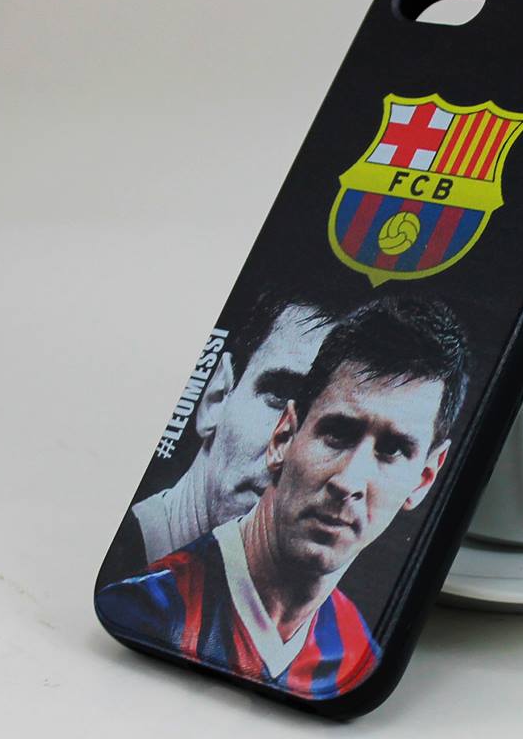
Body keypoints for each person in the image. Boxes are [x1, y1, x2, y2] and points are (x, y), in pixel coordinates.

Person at [96, 296, 469, 700]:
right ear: (284, 436)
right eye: (337, 433)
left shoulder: (357, 655)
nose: (349, 481)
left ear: (424, 478)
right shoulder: (145, 606)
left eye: (393, 450)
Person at [97, 290, 336, 587]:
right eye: (281, 396)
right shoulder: (106, 552)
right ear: (217, 397)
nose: (293, 453)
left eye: (336, 430)